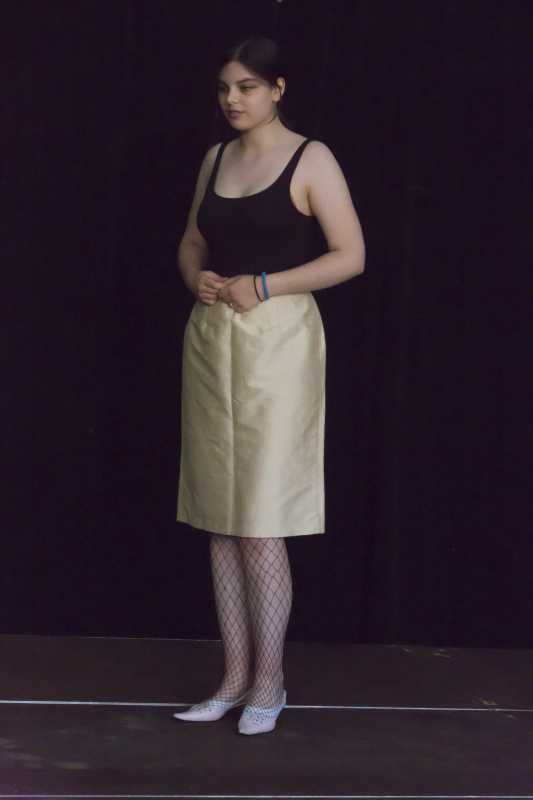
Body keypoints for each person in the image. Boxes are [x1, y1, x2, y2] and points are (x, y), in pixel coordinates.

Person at [174, 35, 365, 735]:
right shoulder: (215, 158)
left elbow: (350, 255)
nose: (233, 99)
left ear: (278, 89)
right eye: (225, 87)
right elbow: (193, 241)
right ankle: (231, 678)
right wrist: (196, 276)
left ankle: (269, 682)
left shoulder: (311, 158)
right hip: (213, 340)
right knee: (219, 517)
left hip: (279, 344)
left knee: (259, 518)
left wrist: (265, 284)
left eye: (248, 87)